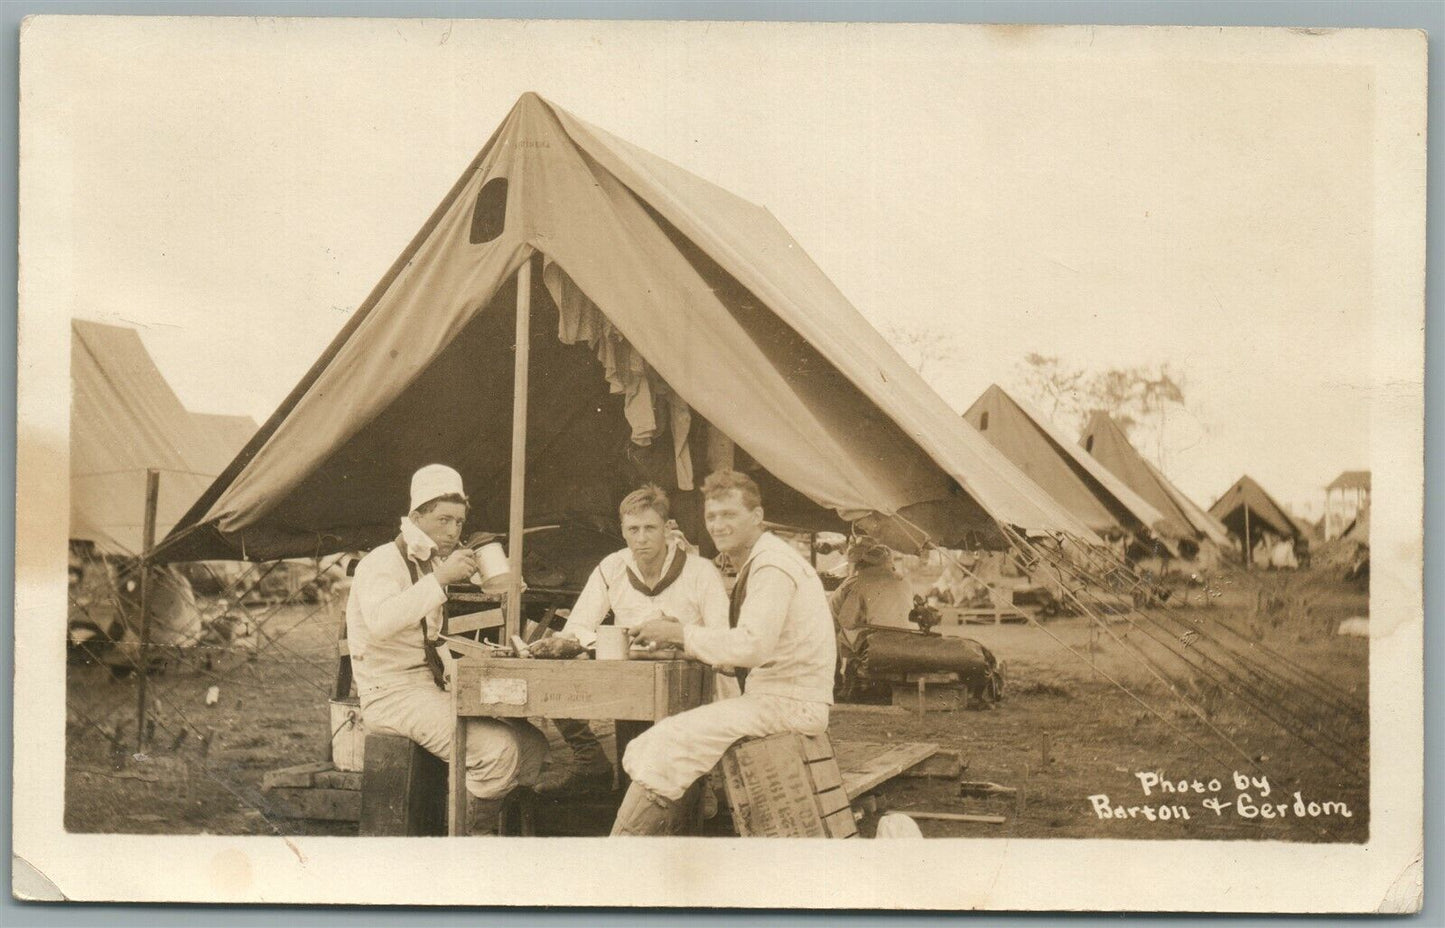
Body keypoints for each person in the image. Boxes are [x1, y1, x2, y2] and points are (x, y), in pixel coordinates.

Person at [610, 470, 837, 835]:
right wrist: (679, 638)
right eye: (712, 516)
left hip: (791, 702)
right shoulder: (763, 559)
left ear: (757, 517)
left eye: (729, 515)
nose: (718, 525)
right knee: (667, 740)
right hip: (780, 696)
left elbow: (752, 645)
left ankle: (620, 850)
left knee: (665, 742)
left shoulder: (772, 566)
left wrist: (682, 633)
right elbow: (754, 646)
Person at [345, 464, 549, 834]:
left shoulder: (431, 563)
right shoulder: (381, 562)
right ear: (415, 517)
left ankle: (509, 835)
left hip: (429, 687)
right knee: (497, 750)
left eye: (458, 522)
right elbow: (381, 622)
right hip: (389, 693)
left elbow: (440, 623)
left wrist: (503, 577)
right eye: (443, 520)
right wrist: (440, 579)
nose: (453, 531)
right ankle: (472, 843)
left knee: (533, 744)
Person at [530, 484, 734, 792]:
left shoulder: (699, 571)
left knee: (678, 784)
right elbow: (578, 626)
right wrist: (594, 641)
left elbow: (723, 640)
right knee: (636, 780)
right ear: (623, 531)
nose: (641, 538)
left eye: (650, 528)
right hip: (632, 684)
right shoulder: (612, 567)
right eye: (633, 529)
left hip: (690, 683)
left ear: (667, 528)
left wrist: (678, 634)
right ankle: (590, 759)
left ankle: (700, 787)